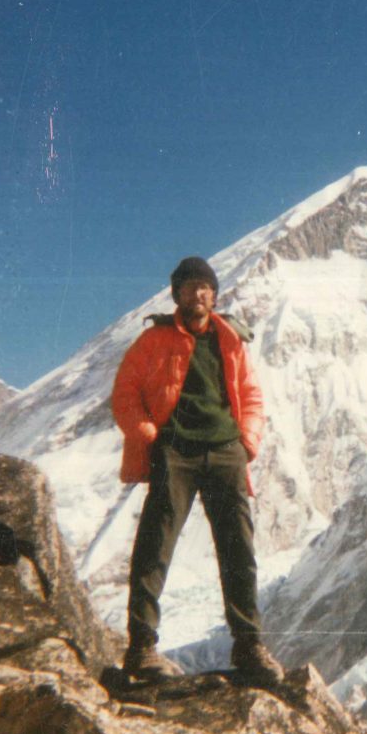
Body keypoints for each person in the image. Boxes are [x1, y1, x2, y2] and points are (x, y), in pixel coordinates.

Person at [112, 256, 284, 686]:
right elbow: (125, 393)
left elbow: (251, 394)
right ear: (177, 296)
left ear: (214, 294)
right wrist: (149, 434)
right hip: (177, 452)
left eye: (205, 287)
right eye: (190, 288)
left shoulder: (230, 339)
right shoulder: (153, 341)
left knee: (237, 548)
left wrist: (247, 442)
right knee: (156, 542)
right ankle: (141, 647)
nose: (199, 295)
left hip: (226, 450)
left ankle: (249, 644)